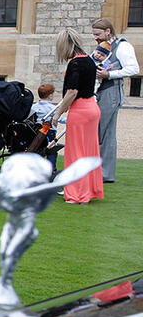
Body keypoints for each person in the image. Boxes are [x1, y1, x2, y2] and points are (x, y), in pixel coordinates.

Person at [52, 28, 104, 204]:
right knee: (89, 151)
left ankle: (77, 193)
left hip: (80, 110)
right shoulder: (89, 60)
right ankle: (89, 189)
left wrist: (58, 112)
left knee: (76, 153)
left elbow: (72, 91)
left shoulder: (75, 64)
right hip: (92, 108)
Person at [89, 18, 138, 184]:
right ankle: (96, 170)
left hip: (111, 92)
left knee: (106, 133)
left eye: (98, 34)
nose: (95, 38)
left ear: (108, 31)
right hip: (98, 92)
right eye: (94, 34)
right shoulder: (102, 47)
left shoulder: (123, 46)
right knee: (97, 132)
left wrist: (109, 74)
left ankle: (105, 174)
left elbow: (133, 69)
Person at [29, 82, 62, 173]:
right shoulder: (52, 108)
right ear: (50, 95)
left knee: (38, 150)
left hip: (37, 132)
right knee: (51, 151)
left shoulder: (34, 107)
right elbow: (59, 118)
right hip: (49, 132)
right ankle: (51, 170)